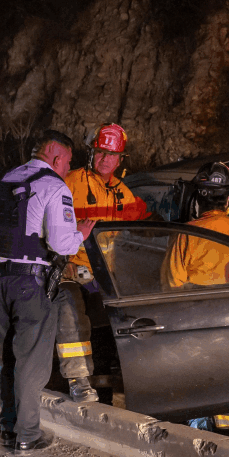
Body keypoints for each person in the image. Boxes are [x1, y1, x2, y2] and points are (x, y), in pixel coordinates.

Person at [0, 130, 96, 454]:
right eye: (67, 162)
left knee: (7, 359)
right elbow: (61, 244)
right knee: (30, 363)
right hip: (29, 285)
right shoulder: (54, 186)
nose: (67, 168)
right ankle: (27, 435)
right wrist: (81, 233)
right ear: (55, 156)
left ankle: (8, 429)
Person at [56, 122, 149, 403]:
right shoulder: (71, 182)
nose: (105, 160)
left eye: (111, 155)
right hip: (73, 268)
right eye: (99, 153)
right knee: (70, 312)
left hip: (107, 274)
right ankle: (78, 380)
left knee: (118, 324)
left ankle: (122, 385)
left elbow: (141, 230)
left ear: (121, 159)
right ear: (91, 152)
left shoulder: (125, 194)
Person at [164, 161, 229, 288]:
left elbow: (171, 286)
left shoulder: (186, 235)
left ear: (197, 198)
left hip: (195, 306)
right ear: (228, 199)